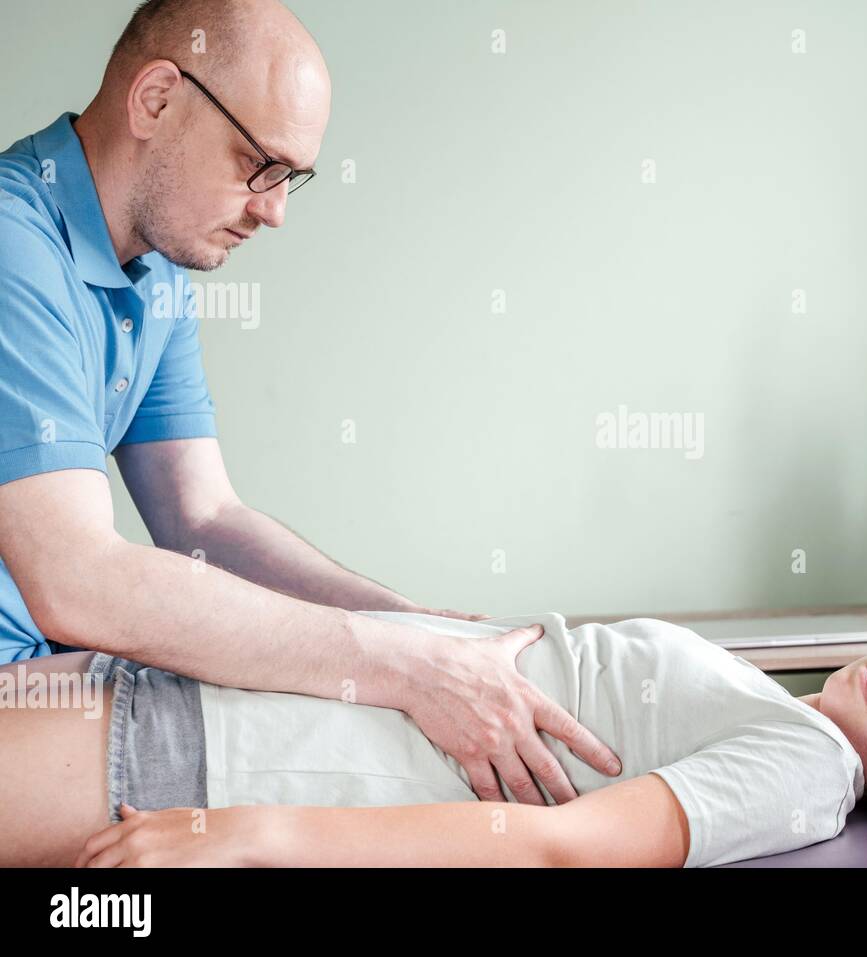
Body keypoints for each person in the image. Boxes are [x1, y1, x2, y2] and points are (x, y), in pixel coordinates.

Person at [0, 0, 621, 804]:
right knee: (345, 724)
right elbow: (78, 579)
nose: (274, 209)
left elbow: (204, 521)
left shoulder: (159, 278)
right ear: (155, 99)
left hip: (36, 674)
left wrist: (416, 625)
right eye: (259, 164)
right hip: (27, 686)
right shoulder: (15, 244)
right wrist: (401, 665)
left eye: (292, 178)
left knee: (350, 707)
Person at [0, 614, 867, 867]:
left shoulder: (807, 772)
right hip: (179, 690)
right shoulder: (781, 709)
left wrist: (248, 833)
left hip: (184, 771)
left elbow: (557, 845)